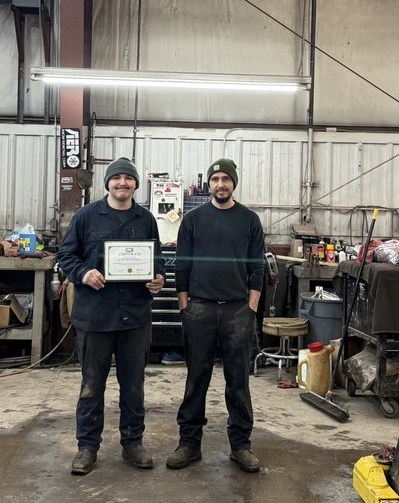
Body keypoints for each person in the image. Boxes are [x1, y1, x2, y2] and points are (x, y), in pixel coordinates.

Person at [57, 157, 166, 476]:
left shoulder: (145, 219)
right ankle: (87, 447)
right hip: (96, 316)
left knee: (133, 385)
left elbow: (157, 259)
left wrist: (158, 277)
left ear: (135, 184)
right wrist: (83, 273)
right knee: (92, 385)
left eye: (128, 179)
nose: (122, 183)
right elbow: (65, 255)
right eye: (116, 178)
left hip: (135, 317)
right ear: (107, 183)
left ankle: (133, 443)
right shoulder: (87, 216)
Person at [167, 158, 266, 473]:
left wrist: (251, 306)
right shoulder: (194, 220)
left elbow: (257, 268)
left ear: (234, 183)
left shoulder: (250, 220)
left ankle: (241, 446)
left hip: (238, 310)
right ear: (208, 184)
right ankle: (189, 444)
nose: (220, 184)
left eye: (226, 179)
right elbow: (182, 264)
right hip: (200, 308)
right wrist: (185, 305)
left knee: (238, 381)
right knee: (197, 378)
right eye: (215, 179)